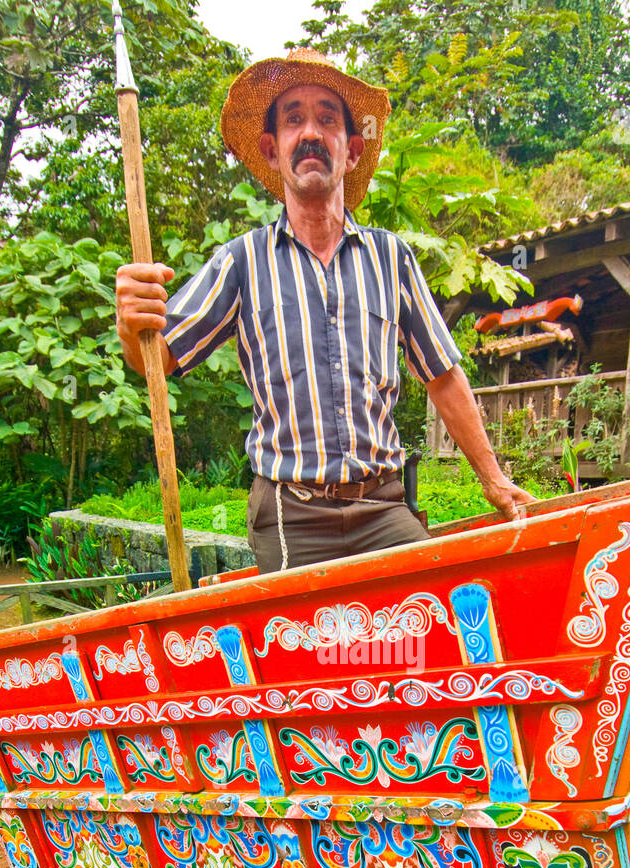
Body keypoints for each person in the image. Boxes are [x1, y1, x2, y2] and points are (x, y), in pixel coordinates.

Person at [115, 48, 533, 574]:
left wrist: (495, 481)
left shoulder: (391, 258)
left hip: (382, 505)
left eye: (326, 119)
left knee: (429, 623)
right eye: (294, 119)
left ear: (352, 149)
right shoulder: (242, 261)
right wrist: (133, 322)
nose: (310, 132)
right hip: (292, 515)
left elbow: (443, 376)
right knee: (306, 651)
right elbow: (159, 356)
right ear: (272, 150)